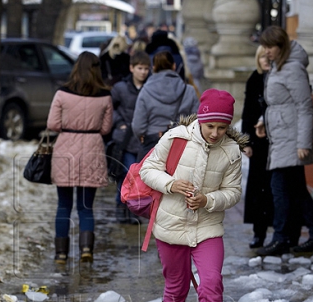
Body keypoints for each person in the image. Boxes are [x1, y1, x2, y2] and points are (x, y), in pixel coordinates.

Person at [139, 89, 245, 302]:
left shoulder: (232, 151)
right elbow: (147, 170)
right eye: (210, 125)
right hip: (171, 226)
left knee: (211, 283)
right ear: (201, 118)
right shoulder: (175, 138)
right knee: (176, 287)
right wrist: (171, 184)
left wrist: (208, 201)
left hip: (208, 227)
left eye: (222, 127)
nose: (215, 133)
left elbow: (234, 192)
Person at [254, 25, 313, 257]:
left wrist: (304, 143)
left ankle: (281, 237)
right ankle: (307, 234)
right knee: (297, 190)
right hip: (281, 135)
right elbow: (279, 103)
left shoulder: (293, 69)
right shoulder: (279, 66)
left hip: (291, 139)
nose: (266, 51)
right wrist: (264, 121)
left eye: (270, 47)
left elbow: (304, 107)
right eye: (265, 47)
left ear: (281, 46)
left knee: (279, 189)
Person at [47, 52, 113, 264]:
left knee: (63, 205)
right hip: (92, 150)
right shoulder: (105, 96)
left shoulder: (62, 93)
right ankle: (86, 249)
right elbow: (106, 129)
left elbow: (53, 125)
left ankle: (61, 253)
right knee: (86, 207)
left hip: (65, 149)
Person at [131, 51, 199, 160]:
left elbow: (138, 125)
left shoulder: (146, 90)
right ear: (174, 66)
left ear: (153, 68)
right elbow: (196, 120)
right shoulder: (189, 90)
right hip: (181, 144)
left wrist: (142, 135)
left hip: (152, 144)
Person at [110, 51, 151, 224]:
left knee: (140, 177)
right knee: (127, 172)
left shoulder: (151, 88)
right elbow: (110, 108)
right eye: (140, 68)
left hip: (144, 140)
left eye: (146, 69)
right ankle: (121, 206)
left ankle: (132, 208)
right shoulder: (120, 88)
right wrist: (119, 123)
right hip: (125, 139)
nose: (143, 72)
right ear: (131, 68)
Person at [241, 46, 273, 249]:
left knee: (274, 188)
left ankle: (278, 231)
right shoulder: (254, 80)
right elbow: (247, 112)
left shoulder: (278, 78)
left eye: (268, 56)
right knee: (258, 188)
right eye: (262, 56)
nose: (265, 60)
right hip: (258, 141)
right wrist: (245, 142)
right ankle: (258, 233)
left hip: (276, 140)